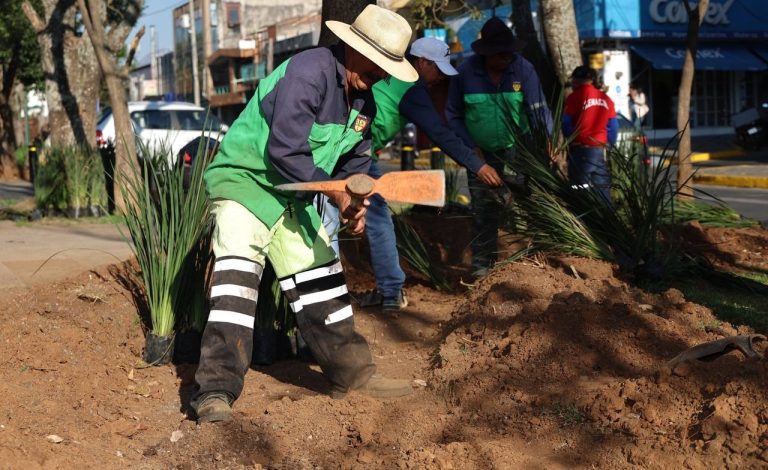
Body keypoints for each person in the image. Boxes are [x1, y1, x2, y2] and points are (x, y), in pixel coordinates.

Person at [192, 5, 419, 424]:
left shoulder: (363, 102)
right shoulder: (309, 71)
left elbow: (355, 163)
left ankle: (353, 376)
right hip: (246, 185)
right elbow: (285, 151)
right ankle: (215, 391)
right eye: (379, 65)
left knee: (323, 286)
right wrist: (335, 192)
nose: (383, 75)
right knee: (236, 288)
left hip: (293, 198)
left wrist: (355, 200)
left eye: (389, 68)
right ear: (354, 49)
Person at [353, 37, 503, 310]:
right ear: (422, 63)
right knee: (372, 216)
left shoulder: (392, 70)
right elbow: (440, 133)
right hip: (353, 149)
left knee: (375, 216)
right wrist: (477, 165)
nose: (440, 78)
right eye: (438, 69)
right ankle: (383, 292)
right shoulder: (412, 86)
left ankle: (390, 292)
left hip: (359, 147)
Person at [446, 17, 552, 277]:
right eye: (500, 55)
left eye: (509, 53)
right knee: (484, 210)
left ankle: (539, 264)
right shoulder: (465, 74)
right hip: (480, 153)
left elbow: (538, 110)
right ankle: (483, 270)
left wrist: (546, 144)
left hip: (518, 149)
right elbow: (453, 116)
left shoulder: (523, 69)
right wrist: (472, 150)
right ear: (486, 54)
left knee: (530, 202)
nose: (507, 58)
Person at [562, 65, 618, 205]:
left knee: (579, 189)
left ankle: (582, 222)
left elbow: (566, 122)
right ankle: (608, 221)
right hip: (600, 150)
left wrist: (570, 140)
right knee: (601, 187)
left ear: (576, 81)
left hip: (581, 149)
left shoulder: (574, 97)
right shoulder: (605, 98)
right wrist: (609, 144)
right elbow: (613, 126)